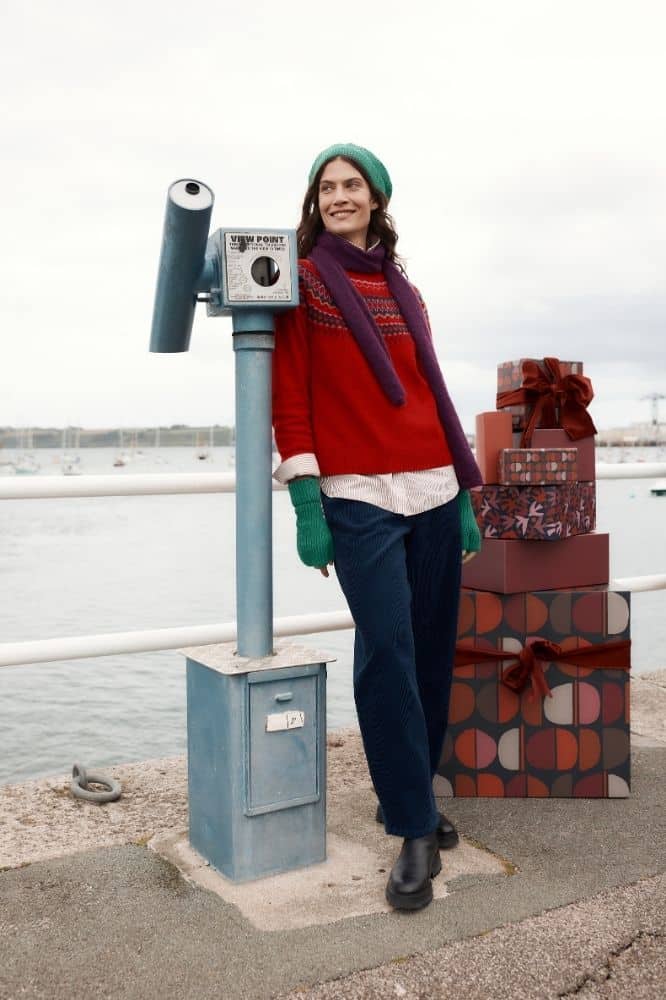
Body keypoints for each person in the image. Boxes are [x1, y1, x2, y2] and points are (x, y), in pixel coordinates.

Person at [272, 143, 482, 912]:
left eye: (351, 185)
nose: (338, 196)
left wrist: (464, 494)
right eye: (326, 187)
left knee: (431, 651)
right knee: (386, 652)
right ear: (315, 202)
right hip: (356, 494)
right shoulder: (302, 283)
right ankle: (412, 828)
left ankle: (413, 796)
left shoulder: (406, 289)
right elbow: (289, 395)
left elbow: (432, 388)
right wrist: (307, 504)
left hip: (432, 486)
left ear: (376, 198)